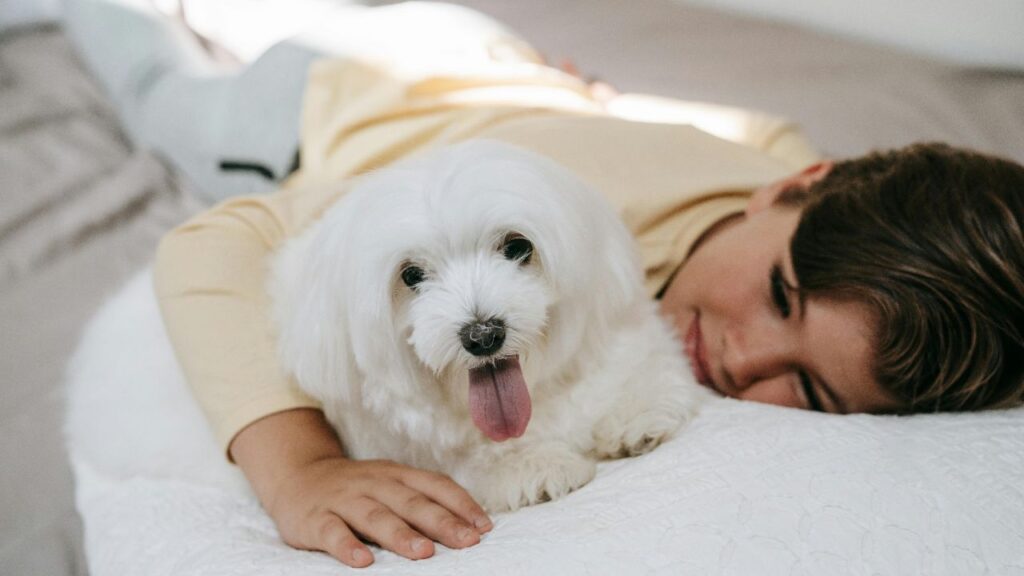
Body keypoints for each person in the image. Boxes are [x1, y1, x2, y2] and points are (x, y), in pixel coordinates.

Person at [63, 0, 1024, 568]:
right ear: (796, 191)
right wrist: (299, 466)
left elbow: (767, 145)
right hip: (321, 112)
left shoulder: (778, 164)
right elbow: (212, 244)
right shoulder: (542, 203)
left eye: (807, 388)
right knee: (163, 81)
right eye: (779, 295)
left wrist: (592, 103)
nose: (739, 355)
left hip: (490, 66)